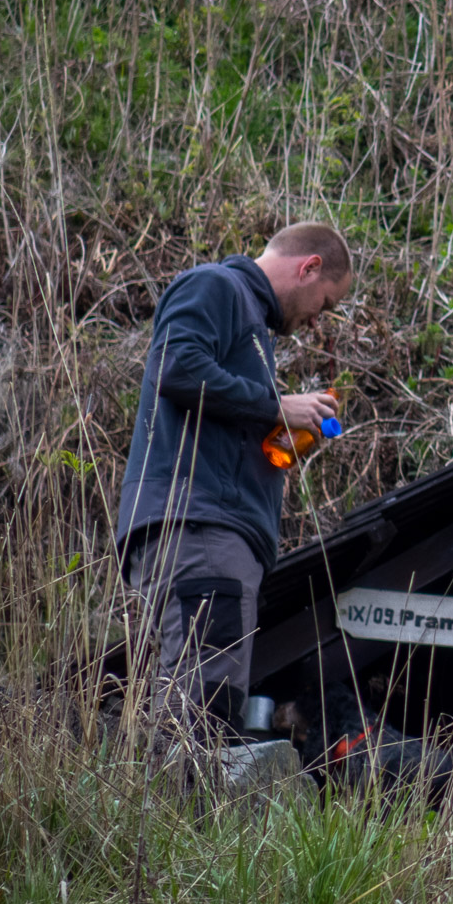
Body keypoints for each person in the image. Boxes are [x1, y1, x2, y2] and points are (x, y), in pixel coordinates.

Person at [116, 221, 354, 742]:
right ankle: (171, 822)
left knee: (203, 697)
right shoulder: (217, 287)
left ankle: (167, 817)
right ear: (309, 267)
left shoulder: (251, 326)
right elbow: (176, 367)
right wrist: (275, 405)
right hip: (201, 528)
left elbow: (217, 405)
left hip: (212, 531)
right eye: (327, 303)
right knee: (202, 702)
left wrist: (275, 430)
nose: (319, 320)